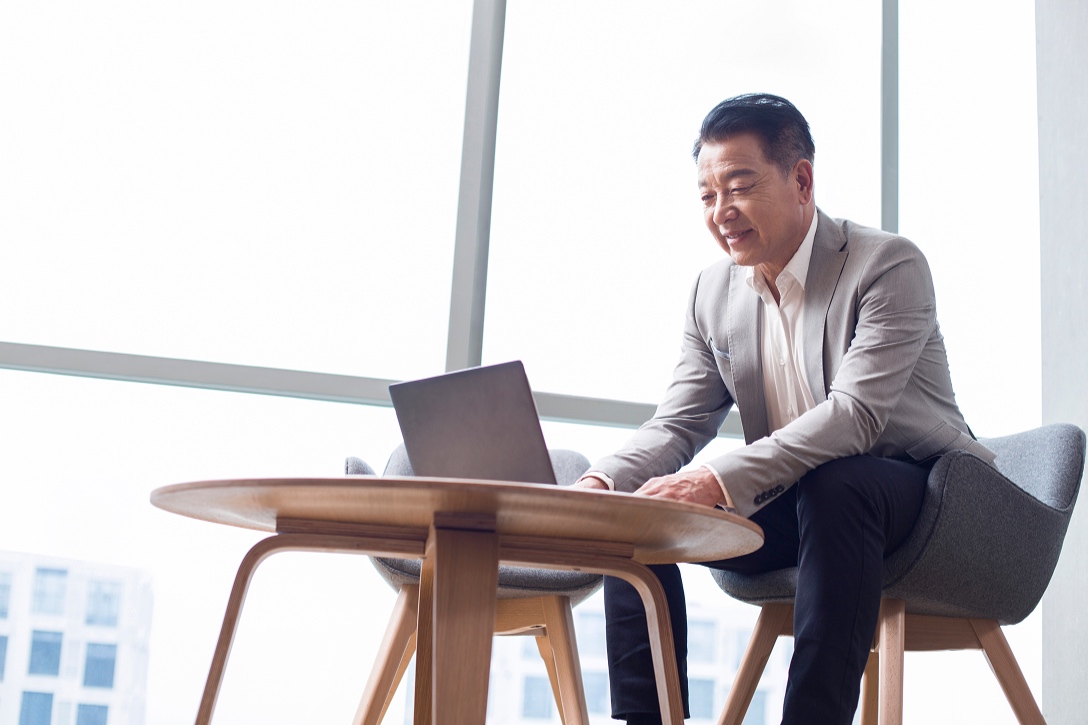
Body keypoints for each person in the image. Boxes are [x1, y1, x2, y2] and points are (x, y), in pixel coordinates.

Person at [574, 93, 994, 725]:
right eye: (708, 196)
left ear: (802, 180)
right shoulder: (710, 293)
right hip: (805, 506)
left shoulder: (886, 264)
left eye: (739, 187)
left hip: (926, 494)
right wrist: (605, 482)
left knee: (839, 481)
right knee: (640, 518)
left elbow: (855, 416)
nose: (722, 213)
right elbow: (678, 422)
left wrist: (716, 479)